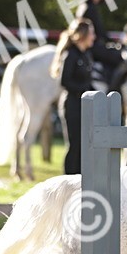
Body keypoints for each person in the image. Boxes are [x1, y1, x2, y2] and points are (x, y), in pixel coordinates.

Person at [49, 19, 97, 175]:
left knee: (85, 145)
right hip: (72, 105)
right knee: (74, 144)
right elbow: (65, 81)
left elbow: (87, 82)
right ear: (83, 35)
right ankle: (69, 179)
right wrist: (84, 91)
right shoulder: (71, 55)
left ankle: (81, 180)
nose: (94, 37)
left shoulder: (86, 54)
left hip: (84, 105)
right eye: (91, 33)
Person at [76, 0, 127, 91]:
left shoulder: (84, 7)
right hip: (93, 47)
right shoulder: (90, 8)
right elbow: (100, 33)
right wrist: (115, 43)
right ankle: (113, 88)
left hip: (91, 45)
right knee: (121, 58)